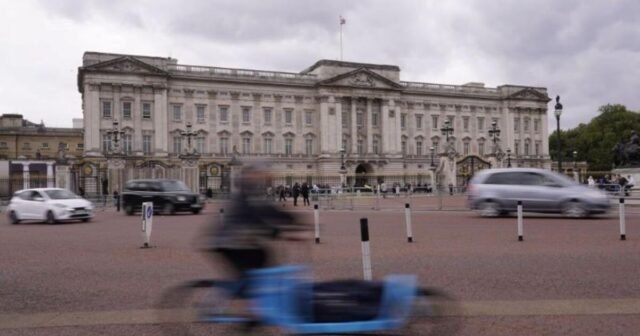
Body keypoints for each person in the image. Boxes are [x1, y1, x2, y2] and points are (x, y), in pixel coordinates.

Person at [208, 164, 305, 298]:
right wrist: (279, 231)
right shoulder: (249, 194)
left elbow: (271, 210)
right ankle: (237, 300)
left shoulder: (251, 192)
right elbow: (258, 216)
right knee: (259, 268)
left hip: (237, 240)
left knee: (260, 267)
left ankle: (249, 296)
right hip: (233, 242)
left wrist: (294, 221)